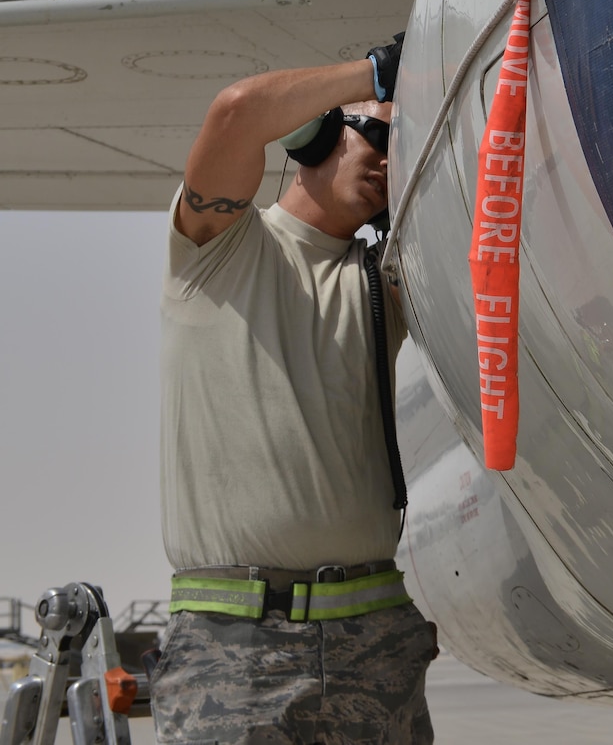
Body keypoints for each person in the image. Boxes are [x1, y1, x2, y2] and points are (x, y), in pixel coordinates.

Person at [150, 39, 437, 745]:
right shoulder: (219, 248)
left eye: (401, 146)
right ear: (316, 137)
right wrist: (377, 73)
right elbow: (239, 111)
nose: (386, 158)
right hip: (236, 651)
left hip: (373, 645)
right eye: (376, 134)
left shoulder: (384, 282)